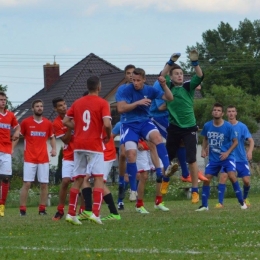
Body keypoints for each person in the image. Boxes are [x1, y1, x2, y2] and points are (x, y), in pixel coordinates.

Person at [116, 68, 176, 206]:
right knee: (131, 154)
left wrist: (164, 85)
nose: (135, 83)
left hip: (144, 121)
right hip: (129, 124)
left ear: (144, 79)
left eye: (138, 80)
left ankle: (167, 167)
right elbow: (120, 109)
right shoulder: (124, 90)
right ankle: (132, 190)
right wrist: (138, 103)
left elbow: (170, 98)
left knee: (157, 138)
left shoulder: (149, 90)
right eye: (133, 80)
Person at [63, 75, 111, 225]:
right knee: (98, 177)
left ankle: (71, 213)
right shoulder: (103, 103)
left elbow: (65, 121)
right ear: (99, 87)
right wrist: (108, 136)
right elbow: (107, 124)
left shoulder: (77, 102)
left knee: (78, 177)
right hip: (94, 144)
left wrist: (77, 130)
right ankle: (95, 214)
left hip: (78, 144)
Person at [165, 50, 207, 204]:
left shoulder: (188, 86)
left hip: (189, 127)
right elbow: (161, 77)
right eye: (176, 73)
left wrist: (195, 62)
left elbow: (200, 76)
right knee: (167, 158)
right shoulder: (168, 86)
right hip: (174, 128)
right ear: (171, 76)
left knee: (192, 160)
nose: (179, 76)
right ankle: (164, 181)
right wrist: (170, 61)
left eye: (181, 73)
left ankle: (195, 191)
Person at [196, 103, 247, 211]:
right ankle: (204, 205)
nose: (216, 112)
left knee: (232, 176)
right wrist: (203, 149)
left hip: (227, 157)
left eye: (219, 110)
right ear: (212, 112)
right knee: (207, 178)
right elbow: (205, 138)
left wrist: (227, 153)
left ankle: (242, 202)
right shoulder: (207, 125)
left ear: (222, 113)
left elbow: (235, 142)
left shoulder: (228, 126)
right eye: (214, 110)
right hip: (214, 158)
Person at [19, 99, 56, 216]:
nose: (39, 108)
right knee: (27, 184)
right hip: (29, 158)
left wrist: (54, 148)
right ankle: (23, 209)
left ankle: (42, 209)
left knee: (44, 184)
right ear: (32, 109)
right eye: (37, 106)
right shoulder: (25, 122)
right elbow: (19, 135)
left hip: (43, 158)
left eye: (41, 106)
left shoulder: (48, 123)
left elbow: (52, 137)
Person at [78, 127, 121, 221]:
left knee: (97, 181)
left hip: (105, 153)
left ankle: (112, 213)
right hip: (97, 152)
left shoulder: (99, 117)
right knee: (84, 179)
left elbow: (106, 127)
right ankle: (89, 210)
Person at [215, 105, 254, 208]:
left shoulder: (242, 127)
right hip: (228, 158)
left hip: (241, 158)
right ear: (226, 113)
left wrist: (249, 151)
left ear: (236, 113)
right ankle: (220, 203)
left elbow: (251, 140)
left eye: (233, 111)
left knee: (246, 181)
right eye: (229, 111)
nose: (231, 113)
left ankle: (245, 198)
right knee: (223, 177)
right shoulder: (223, 126)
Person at [51, 97, 74, 220]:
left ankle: (81, 210)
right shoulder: (56, 123)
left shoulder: (74, 115)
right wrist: (69, 125)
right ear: (55, 109)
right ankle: (60, 210)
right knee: (65, 181)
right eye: (60, 105)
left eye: (65, 104)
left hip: (80, 153)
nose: (64, 107)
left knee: (81, 183)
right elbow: (66, 139)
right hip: (69, 155)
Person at [116, 64, 135, 210]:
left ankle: (133, 189)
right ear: (125, 76)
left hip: (140, 124)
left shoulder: (142, 89)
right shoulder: (122, 90)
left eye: (133, 73)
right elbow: (121, 108)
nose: (131, 75)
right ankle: (122, 183)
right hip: (125, 123)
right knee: (123, 154)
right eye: (128, 73)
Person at [135, 139, 169, 213]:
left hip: (152, 146)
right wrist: (137, 142)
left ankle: (158, 202)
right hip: (141, 147)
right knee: (144, 176)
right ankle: (139, 205)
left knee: (161, 172)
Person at [0, 91, 20, 217]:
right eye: (0, 99)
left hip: (6, 150)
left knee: (6, 178)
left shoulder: (10, 115)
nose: (2, 102)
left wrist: (17, 132)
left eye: (4, 100)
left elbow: (18, 127)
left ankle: (2, 205)